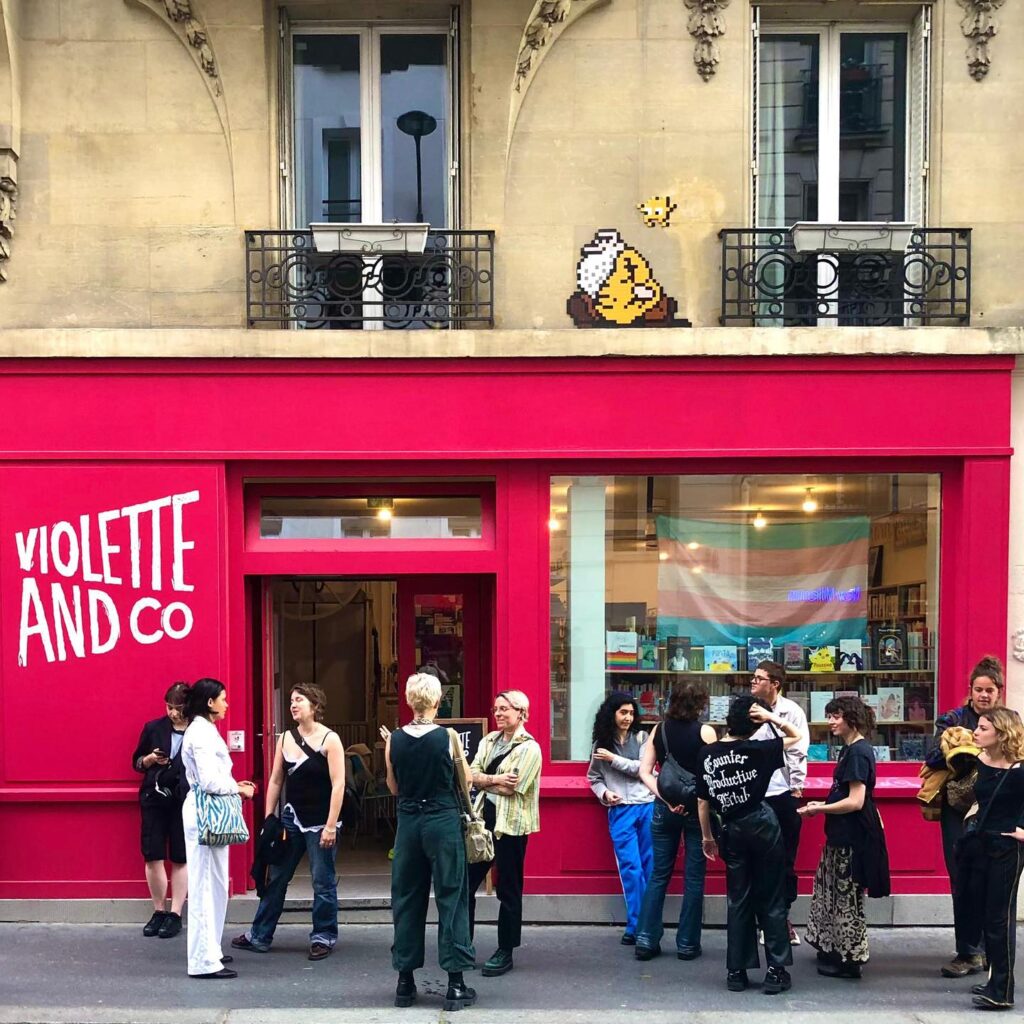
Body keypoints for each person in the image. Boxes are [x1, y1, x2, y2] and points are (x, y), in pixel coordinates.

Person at [697, 695, 802, 995]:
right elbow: (795, 736)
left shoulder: (707, 754)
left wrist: (707, 837)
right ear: (755, 723)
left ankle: (736, 970)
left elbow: (703, 801)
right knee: (771, 896)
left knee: (738, 898)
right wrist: (772, 718)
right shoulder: (759, 749)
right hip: (762, 824)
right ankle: (776, 970)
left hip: (730, 827)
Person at [232, 684, 345, 961]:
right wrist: (268, 818)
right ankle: (259, 935)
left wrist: (331, 826)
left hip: (321, 821)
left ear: (315, 706)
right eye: (292, 700)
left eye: (299, 700)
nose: (293, 705)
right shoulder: (285, 738)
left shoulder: (330, 739)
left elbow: (338, 783)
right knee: (276, 876)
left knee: (322, 880)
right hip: (291, 818)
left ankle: (323, 936)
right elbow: (275, 780)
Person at [384, 673, 476, 1011]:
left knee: (407, 898)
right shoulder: (448, 737)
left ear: (409, 701)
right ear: (438, 701)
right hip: (443, 819)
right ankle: (455, 984)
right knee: (452, 896)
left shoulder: (394, 739)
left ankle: (405, 982)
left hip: (409, 822)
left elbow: (393, 786)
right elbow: (465, 780)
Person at [925, 656, 1009, 978]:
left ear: (999, 691)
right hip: (958, 811)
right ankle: (967, 952)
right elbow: (932, 756)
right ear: (970, 690)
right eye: (978, 689)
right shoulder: (953, 718)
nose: (984, 695)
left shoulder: (1009, 720)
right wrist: (958, 747)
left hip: (995, 809)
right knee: (962, 878)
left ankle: (991, 951)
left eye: (990, 690)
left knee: (992, 880)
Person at [799, 695, 890, 981]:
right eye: (830, 716)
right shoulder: (850, 749)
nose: (830, 721)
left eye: (836, 716)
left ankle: (850, 960)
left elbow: (855, 801)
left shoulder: (858, 753)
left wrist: (818, 809)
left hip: (851, 837)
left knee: (846, 897)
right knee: (833, 894)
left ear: (852, 719)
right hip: (841, 834)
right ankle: (833, 948)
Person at [635, 682, 717, 961]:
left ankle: (645, 939)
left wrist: (667, 799)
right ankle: (687, 944)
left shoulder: (659, 730)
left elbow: (644, 772)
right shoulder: (706, 732)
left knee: (659, 874)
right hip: (697, 810)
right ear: (701, 703)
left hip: (664, 808)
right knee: (694, 878)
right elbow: (713, 776)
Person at [181, 678, 256, 979]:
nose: (227, 704)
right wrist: (238, 788)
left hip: (206, 810)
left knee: (215, 884)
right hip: (204, 811)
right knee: (204, 885)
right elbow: (209, 781)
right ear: (210, 702)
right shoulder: (201, 733)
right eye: (223, 698)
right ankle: (203, 961)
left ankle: (210, 950)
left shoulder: (203, 729)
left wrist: (233, 785)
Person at [468, 689, 543, 977]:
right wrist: (496, 778)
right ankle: (463, 945)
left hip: (511, 825)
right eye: (496, 709)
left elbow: (513, 788)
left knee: (508, 889)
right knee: (465, 884)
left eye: (504, 709)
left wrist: (484, 781)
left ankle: (505, 950)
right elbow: (470, 776)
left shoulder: (530, 748)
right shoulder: (488, 741)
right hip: (482, 821)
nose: (498, 713)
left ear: (521, 712)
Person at [954, 708, 1024, 1011]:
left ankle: (1002, 991)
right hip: (982, 844)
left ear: (1002, 732)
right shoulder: (981, 761)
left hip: (1007, 847)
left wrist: (1021, 830)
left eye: (983, 728)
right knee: (984, 915)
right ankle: (995, 979)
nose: (976, 732)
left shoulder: (1020, 768)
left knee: (999, 918)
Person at [586, 692, 655, 946]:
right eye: (623, 712)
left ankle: (647, 925)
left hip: (647, 806)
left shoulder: (643, 738)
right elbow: (594, 777)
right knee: (631, 868)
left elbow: (643, 770)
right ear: (611, 714)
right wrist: (605, 793)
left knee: (650, 867)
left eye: (631, 713)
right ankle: (637, 924)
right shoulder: (601, 745)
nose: (628, 718)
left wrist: (614, 760)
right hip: (621, 810)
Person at [749, 661, 809, 946]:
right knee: (758, 859)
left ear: (775, 684)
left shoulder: (792, 711)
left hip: (783, 793)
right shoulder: (748, 710)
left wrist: (796, 787)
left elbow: (799, 749)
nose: (753, 681)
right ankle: (762, 920)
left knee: (785, 859)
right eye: (753, 677)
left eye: (759, 678)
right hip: (754, 794)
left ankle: (782, 917)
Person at [132, 682, 190, 939]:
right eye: (169, 707)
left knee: (180, 856)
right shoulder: (153, 728)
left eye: (178, 708)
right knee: (152, 854)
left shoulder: (199, 730)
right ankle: (159, 911)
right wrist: (150, 759)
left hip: (183, 800)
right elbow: (136, 762)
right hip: (154, 798)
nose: (173, 713)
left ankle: (175, 913)